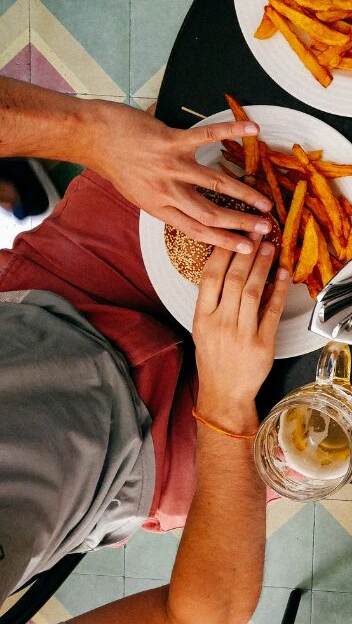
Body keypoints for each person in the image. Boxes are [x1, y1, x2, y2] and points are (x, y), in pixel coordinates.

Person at [0, 77, 278, 601]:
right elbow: (200, 613)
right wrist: (227, 404)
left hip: (50, 294)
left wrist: (85, 132)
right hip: (152, 464)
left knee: (229, 116)